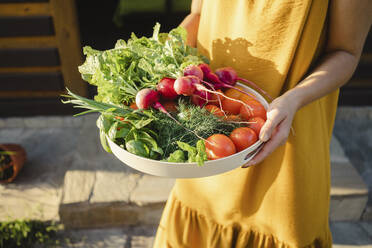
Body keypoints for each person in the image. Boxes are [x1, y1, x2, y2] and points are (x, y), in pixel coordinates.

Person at [154, 0, 372, 247]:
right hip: (209, 129)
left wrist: (294, 99)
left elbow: (346, 51)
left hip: (286, 136)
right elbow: (198, 14)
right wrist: (162, 57)